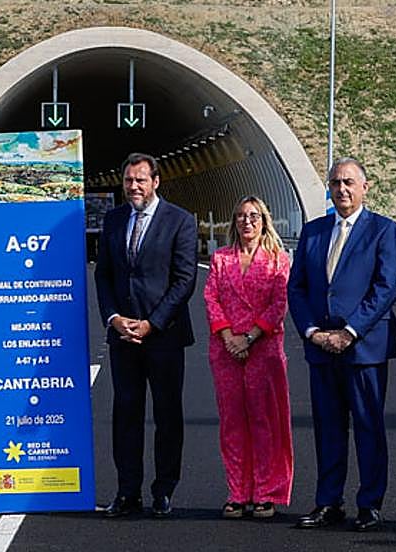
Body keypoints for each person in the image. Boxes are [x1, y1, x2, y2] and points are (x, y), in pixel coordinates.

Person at [287, 157, 396, 532]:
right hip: (321, 348)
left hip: (363, 348)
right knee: (328, 429)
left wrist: (350, 331)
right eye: (336, 183)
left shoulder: (383, 230)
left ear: (365, 187)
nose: (342, 189)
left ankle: (369, 505)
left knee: (368, 426)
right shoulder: (314, 231)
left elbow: (385, 288)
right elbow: (297, 287)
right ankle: (328, 502)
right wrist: (311, 332)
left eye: (349, 182)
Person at [94, 152, 197, 518]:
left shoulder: (180, 221)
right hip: (123, 336)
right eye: (128, 180)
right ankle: (127, 491)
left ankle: (164, 489)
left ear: (156, 181)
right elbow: (103, 274)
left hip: (164, 336)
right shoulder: (114, 219)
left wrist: (152, 323)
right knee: (126, 414)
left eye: (140, 180)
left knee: (167, 415)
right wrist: (113, 317)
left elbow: (185, 279)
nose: (133, 186)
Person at [203, 196, 293, 519]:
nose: (247, 222)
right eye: (241, 216)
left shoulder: (277, 260)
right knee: (232, 424)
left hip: (263, 349)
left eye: (254, 216)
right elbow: (211, 297)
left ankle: (266, 491)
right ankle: (238, 492)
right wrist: (229, 337)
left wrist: (250, 337)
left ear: (264, 221)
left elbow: (279, 303)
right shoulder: (220, 259)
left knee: (264, 421)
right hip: (226, 351)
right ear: (234, 222)